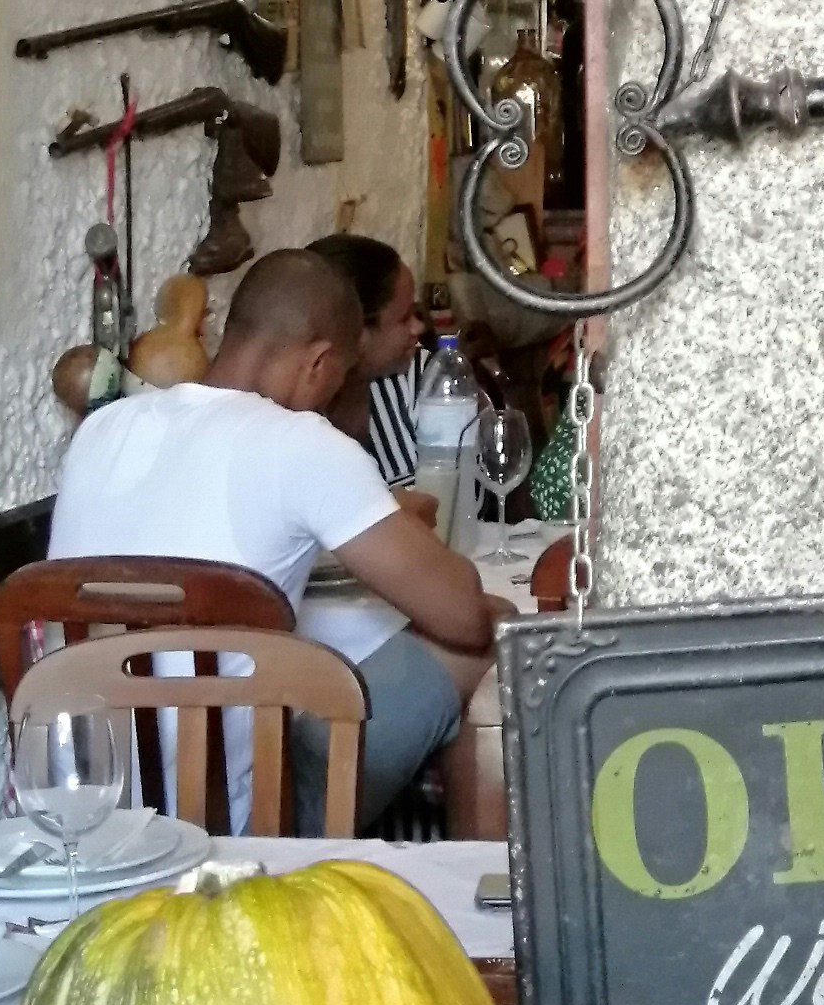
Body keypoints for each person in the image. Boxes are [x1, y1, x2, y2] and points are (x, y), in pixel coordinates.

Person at [46, 245, 494, 831]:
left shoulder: (102, 429)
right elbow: (464, 616)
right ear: (318, 362)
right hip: (234, 828)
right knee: (487, 640)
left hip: (88, 816)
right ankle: (477, 898)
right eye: (340, 374)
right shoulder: (304, 443)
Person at [311, 230, 423, 486]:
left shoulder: (419, 381)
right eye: (404, 318)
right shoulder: (290, 410)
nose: (418, 328)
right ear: (356, 332)